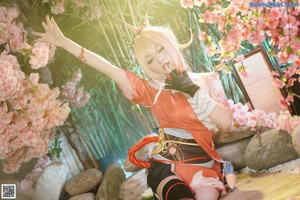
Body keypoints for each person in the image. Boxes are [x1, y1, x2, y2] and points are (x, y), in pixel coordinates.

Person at [33, 15, 233, 200]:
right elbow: (109, 69)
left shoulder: (207, 80)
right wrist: (63, 42)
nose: (160, 60)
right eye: (150, 60)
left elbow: (226, 123)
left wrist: (193, 90)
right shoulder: (151, 91)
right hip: (166, 168)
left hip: (203, 166)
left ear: (170, 43)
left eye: (160, 49)